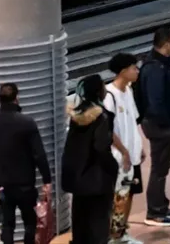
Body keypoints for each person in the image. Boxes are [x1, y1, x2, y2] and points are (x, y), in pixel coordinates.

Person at [0, 83, 51, 244]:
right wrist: (47, 179)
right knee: (30, 222)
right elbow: (39, 154)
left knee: (7, 223)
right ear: (16, 98)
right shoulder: (27, 122)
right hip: (25, 183)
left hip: (2, 183)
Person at [137, 27, 170, 227]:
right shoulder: (155, 68)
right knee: (159, 169)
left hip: (162, 124)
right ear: (166, 44)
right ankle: (155, 212)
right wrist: (168, 121)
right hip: (160, 126)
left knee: (162, 168)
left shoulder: (160, 65)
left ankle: (161, 205)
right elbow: (155, 101)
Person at [62, 75, 118, 244]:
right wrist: (112, 166)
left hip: (78, 179)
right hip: (97, 179)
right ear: (99, 91)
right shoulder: (102, 117)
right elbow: (101, 146)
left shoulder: (76, 115)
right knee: (98, 223)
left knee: (81, 222)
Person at [102, 53, 144, 244]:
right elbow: (108, 130)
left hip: (132, 155)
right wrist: (124, 152)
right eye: (134, 68)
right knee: (117, 197)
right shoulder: (109, 95)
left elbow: (133, 121)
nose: (137, 71)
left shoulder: (129, 91)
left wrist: (138, 146)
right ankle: (113, 236)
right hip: (118, 158)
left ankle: (121, 233)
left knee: (129, 194)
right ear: (123, 71)